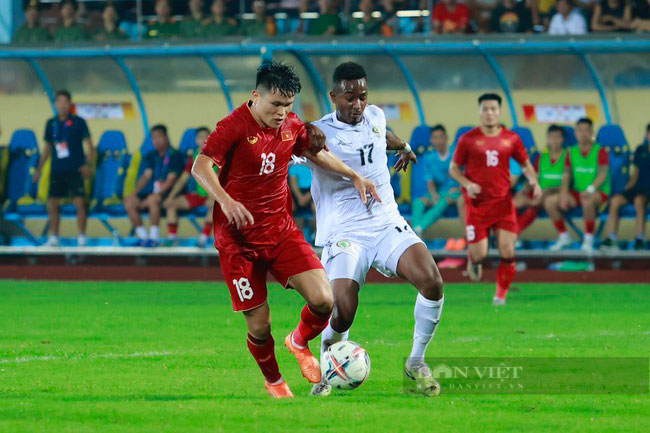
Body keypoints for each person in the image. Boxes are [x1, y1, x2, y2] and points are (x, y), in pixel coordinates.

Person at [191, 61, 379, 398]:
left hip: (280, 231)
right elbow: (200, 166)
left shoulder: (291, 124)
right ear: (255, 96)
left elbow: (315, 152)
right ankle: (275, 381)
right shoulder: (232, 126)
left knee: (325, 299)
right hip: (238, 241)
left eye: (288, 106)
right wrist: (226, 201)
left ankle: (298, 341)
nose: (281, 113)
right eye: (275, 104)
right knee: (260, 326)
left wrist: (354, 175)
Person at [301, 62, 443, 397]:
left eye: (362, 96)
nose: (358, 104)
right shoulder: (318, 133)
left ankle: (416, 363)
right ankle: (328, 370)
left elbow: (383, 136)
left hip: (384, 222)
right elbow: (287, 149)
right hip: (344, 231)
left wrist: (404, 146)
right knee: (343, 311)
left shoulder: (375, 116)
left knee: (432, 282)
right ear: (335, 96)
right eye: (350, 98)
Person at [449, 93, 541, 305]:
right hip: (478, 206)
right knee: (480, 254)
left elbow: (526, 164)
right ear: (480, 112)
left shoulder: (512, 139)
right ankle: (474, 259)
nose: (489, 113)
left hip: (503, 204)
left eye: (493, 109)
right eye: (485, 109)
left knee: (508, 250)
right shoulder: (468, 139)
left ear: (499, 112)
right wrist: (468, 184)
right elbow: (453, 169)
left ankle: (500, 296)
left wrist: (534, 182)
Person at [34, 90, 95, 247]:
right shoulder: (51, 123)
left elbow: (90, 146)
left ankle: (81, 236)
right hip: (57, 170)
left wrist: (88, 165)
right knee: (53, 202)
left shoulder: (79, 122)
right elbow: (47, 148)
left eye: (65, 102)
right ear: (55, 104)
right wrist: (39, 169)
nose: (62, 105)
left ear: (70, 104)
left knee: (79, 202)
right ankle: (54, 237)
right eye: (59, 101)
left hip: (75, 170)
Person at [545, 118, 610, 252]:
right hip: (577, 192)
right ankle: (564, 237)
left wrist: (590, 189)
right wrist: (563, 194)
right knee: (550, 201)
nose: (583, 133)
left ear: (592, 132)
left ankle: (588, 238)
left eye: (587, 130)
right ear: (575, 133)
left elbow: (603, 174)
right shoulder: (571, 151)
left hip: (598, 192)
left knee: (586, 200)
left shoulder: (600, 151)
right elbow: (566, 175)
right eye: (580, 130)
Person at [124, 124, 184, 247]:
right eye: (153, 137)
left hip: (167, 195)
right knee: (130, 201)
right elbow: (146, 176)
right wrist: (134, 193)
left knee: (153, 200)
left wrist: (157, 194)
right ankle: (144, 238)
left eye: (159, 137)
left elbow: (171, 179)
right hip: (150, 193)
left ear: (166, 137)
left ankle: (154, 237)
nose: (156, 140)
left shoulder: (175, 155)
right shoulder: (151, 155)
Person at [163, 127, 216, 247]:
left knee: (216, 206)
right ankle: (172, 239)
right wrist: (170, 196)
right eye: (200, 137)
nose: (203, 140)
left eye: (206, 137)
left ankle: (203, 239)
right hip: (196, 195)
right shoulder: (193, 157)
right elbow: (183, 178)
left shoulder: (218, 155)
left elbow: (222, 179)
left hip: (213, 195)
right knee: (171, 204)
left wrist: (214, 197)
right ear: (196, 140)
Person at [601, 123, 650, 250]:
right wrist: (626, 188)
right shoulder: (641, 150)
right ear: (647, 135)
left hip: (648, 191)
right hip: (637, 187)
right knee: (615, 201)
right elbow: (636, 172)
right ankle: (612, 238)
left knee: (639, 201)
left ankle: (639, 238)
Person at [412, 125, 464, 237]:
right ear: (431, 140)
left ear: (446, 138)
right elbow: (429, 180)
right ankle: (415, 231)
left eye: (441, 137)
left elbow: (467, 173)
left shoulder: (457, 152)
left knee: (442, 202)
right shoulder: (429, 157)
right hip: (440, 191)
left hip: (455, 191)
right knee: (418, 202)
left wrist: (461, 187)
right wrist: (434, 194)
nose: (438, 141)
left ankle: (418, 228)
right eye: (435, 138)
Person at [515, 124, 566, 235]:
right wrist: (524, 190)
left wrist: (546, 192)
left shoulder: (568, 156)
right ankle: (507, 235)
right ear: (547, 138)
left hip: (556, 193)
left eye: (558, 137)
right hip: (540, 192)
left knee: (533, 207)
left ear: (563, 139)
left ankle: (513, 235)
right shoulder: (542, 157)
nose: (554, 140)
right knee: (513, 203)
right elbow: (535, 177)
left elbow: (569, 182)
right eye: (551, 137)